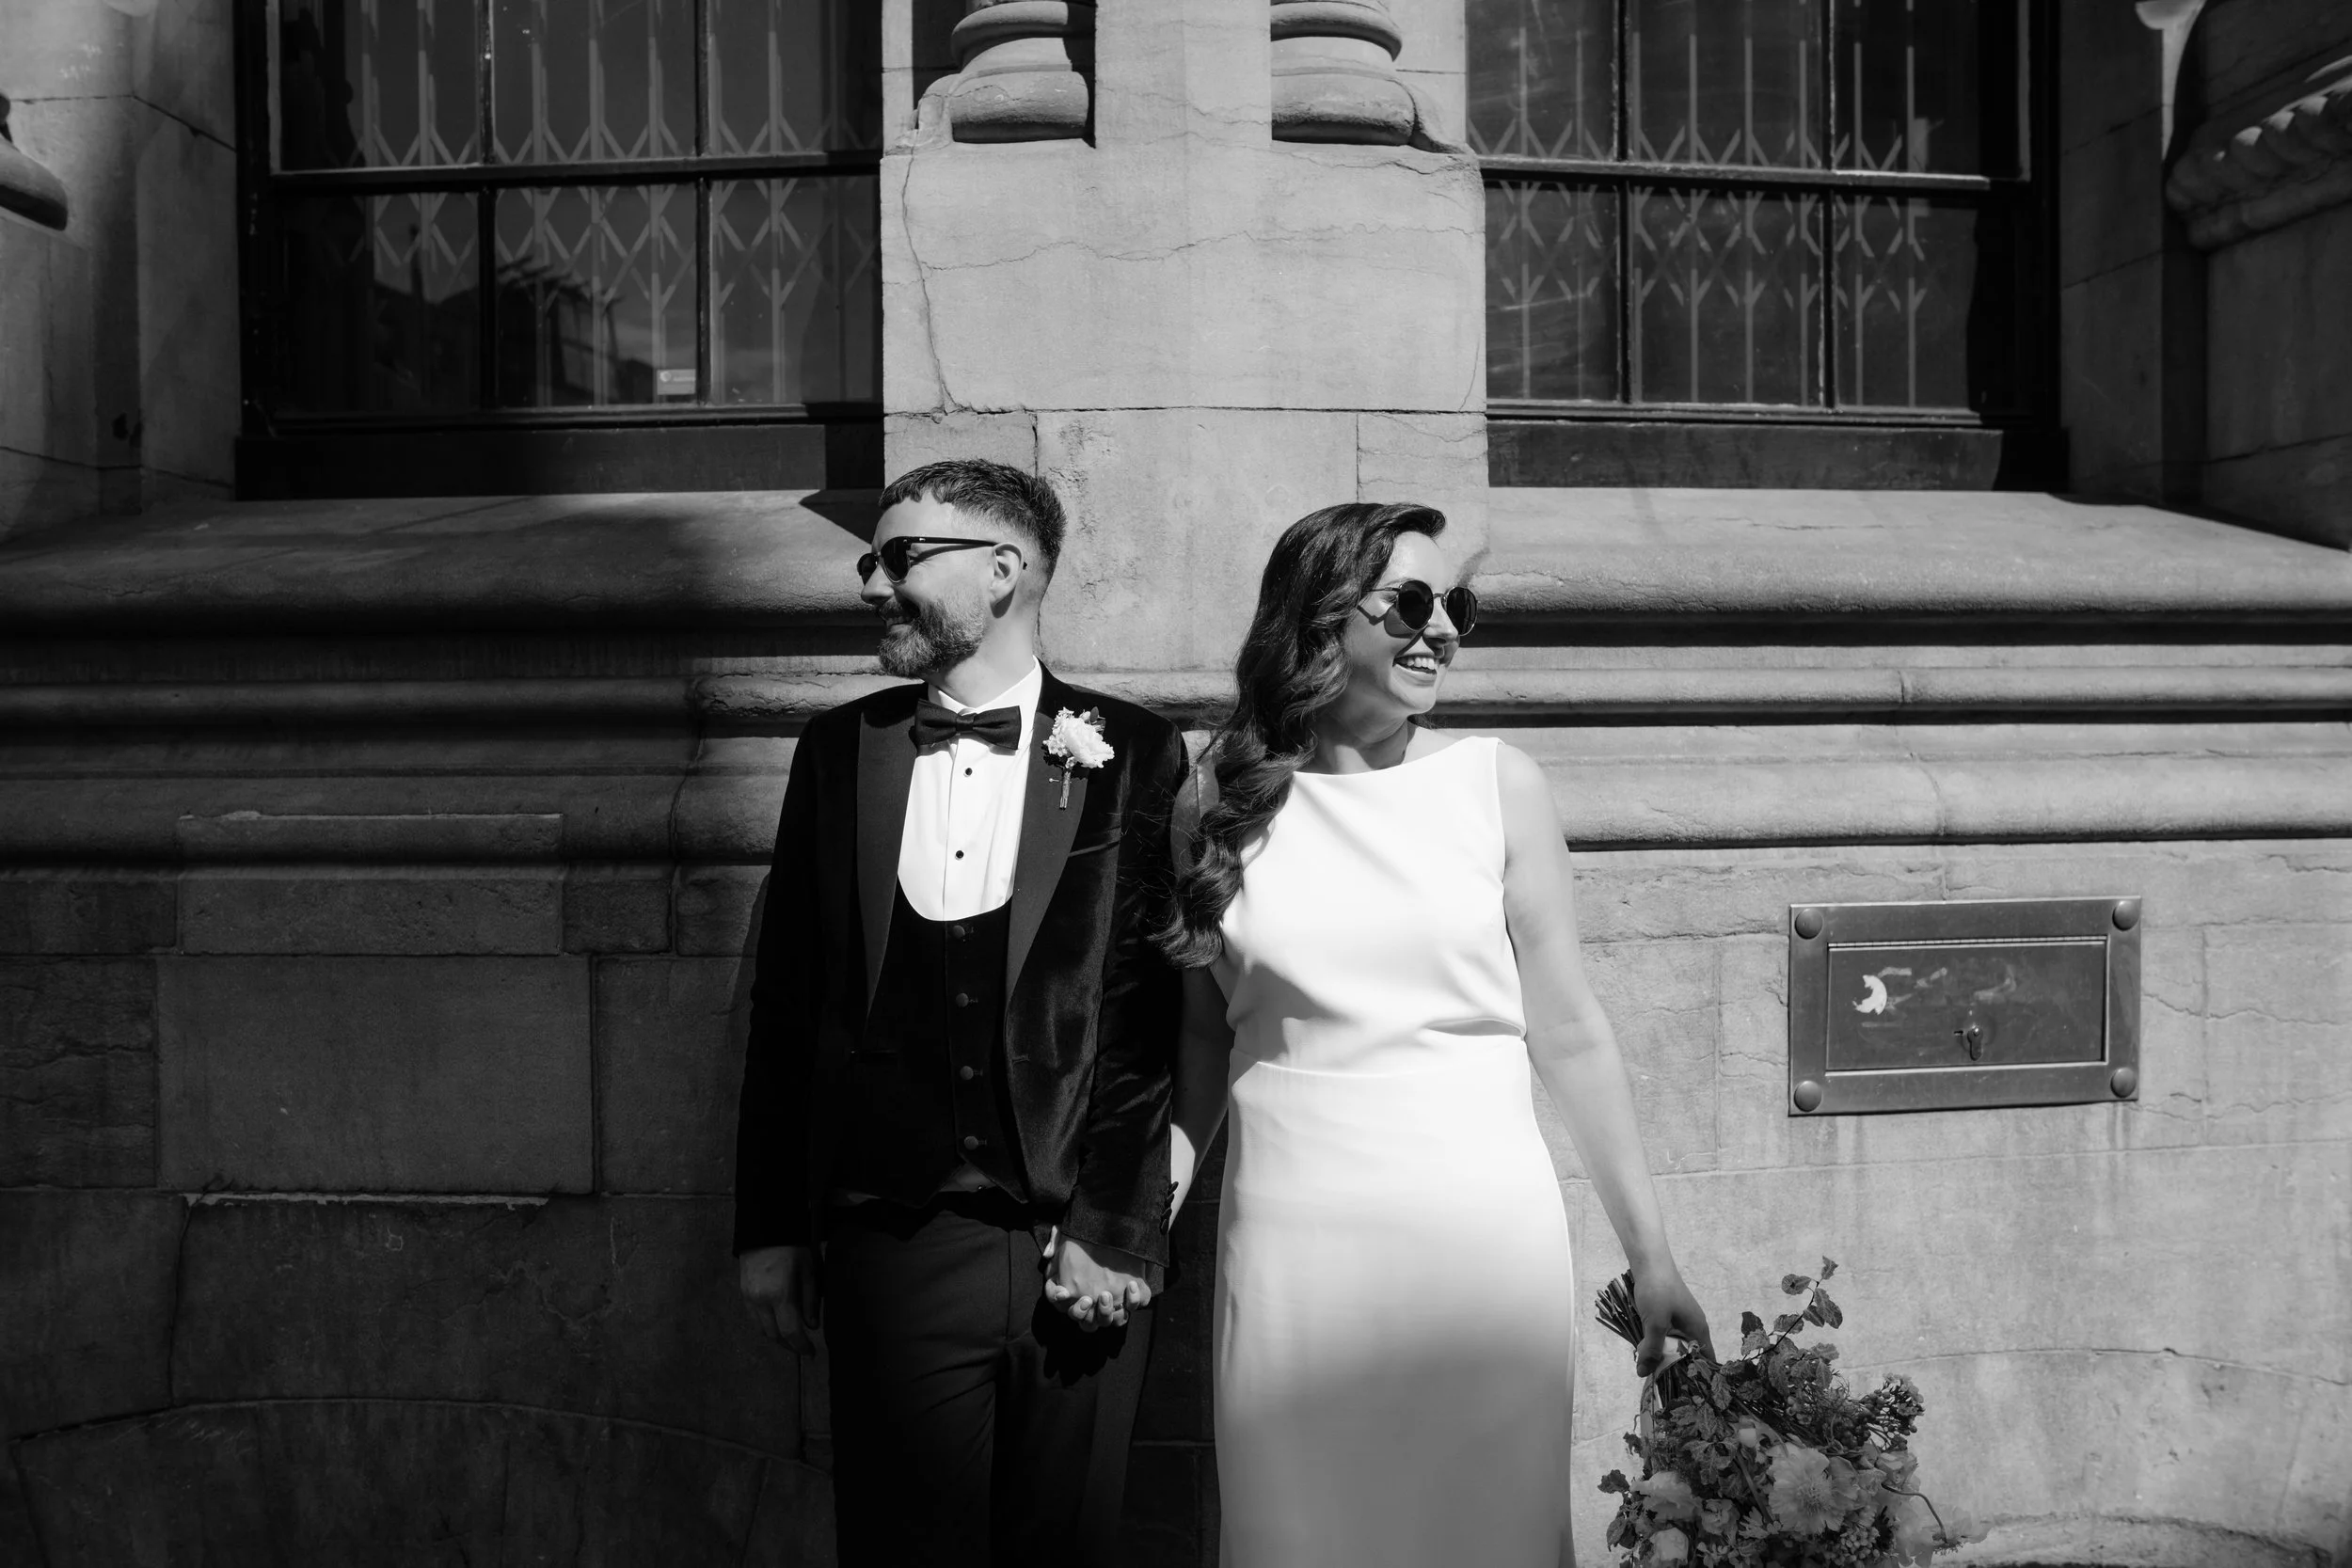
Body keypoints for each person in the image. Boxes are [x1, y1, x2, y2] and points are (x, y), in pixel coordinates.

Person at [1161, 501, 1713, 1568]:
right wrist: (1139, 1223)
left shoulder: (1497, 785)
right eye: (1412, 602)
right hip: (1291, 1248)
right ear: (1320, 618)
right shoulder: (1215, 800)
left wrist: (1651, 1256)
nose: (1444, 629)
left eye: (1456, 602)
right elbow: (1199, 1043)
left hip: (1478, 1245)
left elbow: (1568, 1029)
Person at [731, 458, 1189, 1566]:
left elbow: (1144, 1019)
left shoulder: (1133, 749)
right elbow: (787, 1001)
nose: (872, 585)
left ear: (1003, 569)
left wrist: (1114, 1227)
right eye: (869, 561)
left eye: (900, 557)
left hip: (1072, 1245)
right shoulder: (837, 751)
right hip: (893, 1243)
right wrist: (772, 1225)